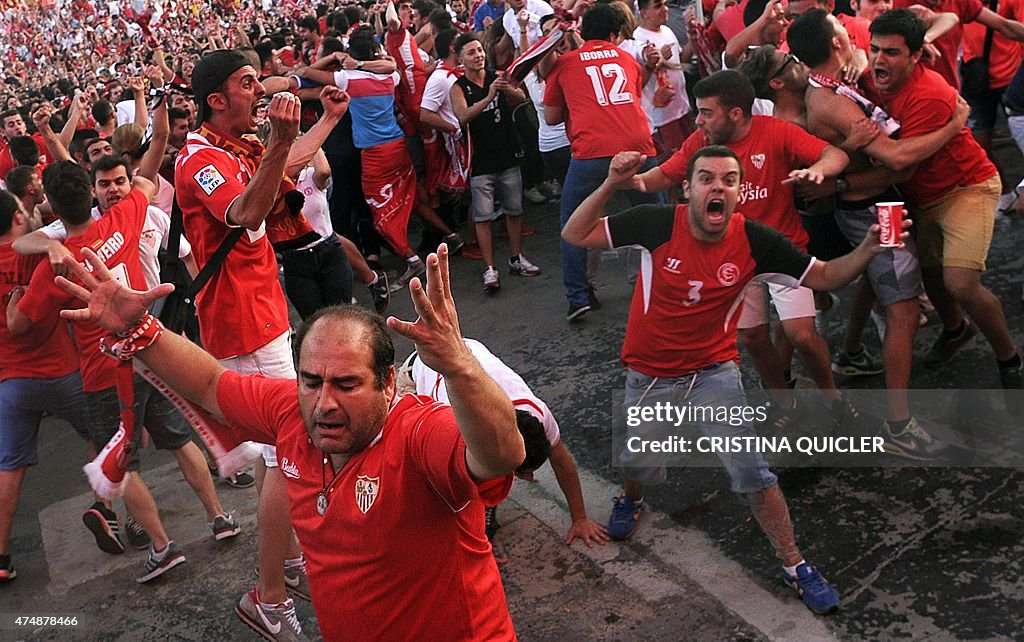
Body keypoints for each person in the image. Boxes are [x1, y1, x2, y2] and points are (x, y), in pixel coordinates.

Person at [56, 244, 524, 641]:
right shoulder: (291, 412)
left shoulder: (419, 433)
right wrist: (139, 331)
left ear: (387, 384)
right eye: (312, 380)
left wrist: (460, 365)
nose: (324, 404)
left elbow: (504, 454)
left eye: (346, 384)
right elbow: (208, 385)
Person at [562, 145, 907, 614]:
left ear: (739, 192)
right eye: (706, 178)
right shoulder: (656, 223)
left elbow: (824, 277)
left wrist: (869, 247)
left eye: (728, 180)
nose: (717, 187)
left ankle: (795, 565)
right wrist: (609, 183)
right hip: (650, 375)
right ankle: (631, 496)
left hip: (713, 372)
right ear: (688, 190)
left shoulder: (756, 241)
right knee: (640, 461)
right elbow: (574, 232)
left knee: (753, 472)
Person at [175, 49, 348, 639]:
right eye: (249, 83)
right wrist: (279, 139)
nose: (261, 89)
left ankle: (292, 560)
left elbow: (282, 165)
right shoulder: (200, 158)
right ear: (216, 100)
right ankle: (267, 596)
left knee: (287, 451)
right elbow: (248, 209)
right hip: (241, 321)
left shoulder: (233, 147)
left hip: (261, 312)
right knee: (289, 453)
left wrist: (323, 122)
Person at [8, 161, 237, 582]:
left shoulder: (55, 267)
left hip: (103, 374)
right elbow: (147, 184)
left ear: (52, 208)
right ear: (90, 193)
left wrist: (20, 290)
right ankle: (219, 517)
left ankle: (163, 547)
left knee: (119, 463)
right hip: (149, 357)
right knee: (179, 441)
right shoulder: (125, 216)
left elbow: (19, 325)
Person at [786, 8, 971, 457]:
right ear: (835, 44)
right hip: (874, 210)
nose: (852, 37)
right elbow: (899, 158)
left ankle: (850, 353)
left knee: (877, 289)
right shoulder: (835, 103)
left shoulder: (831, 84)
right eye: (843, 33)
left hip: (866, 204)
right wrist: (952, 126)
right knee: (904, 311)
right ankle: (898, 424)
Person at [627, 70, 855, 429]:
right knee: (752, 337)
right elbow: (668, 175)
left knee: (803, 336)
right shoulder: (701, 142)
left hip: (783, 251)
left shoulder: (776, 131)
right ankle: (784, 400)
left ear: (735, 113)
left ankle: (832, 397)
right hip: (732, 257)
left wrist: (819, 171)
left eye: (706, 112)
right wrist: (632, 179)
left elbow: (835, 155)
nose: (698, 120)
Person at [863, 10, 1022, 390]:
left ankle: (1009, 359)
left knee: (961, 283)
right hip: (923, 197)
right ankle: (955, 330)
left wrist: (842, 184)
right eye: (874, 50)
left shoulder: (930, 93)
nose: (878, 60)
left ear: (916, 55)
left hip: (966, 187)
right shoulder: (869, 77)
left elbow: (902, 165)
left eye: (891, 52)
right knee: (931, 278)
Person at [400, 337, 610, 548]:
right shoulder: (459, 428)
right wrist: (479, 552)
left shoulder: (536, 412)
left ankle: (487, 501)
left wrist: (580, 518)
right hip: (417, 374)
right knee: (423, 480)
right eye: (521, 472)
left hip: (462, 350)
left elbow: (562, 461)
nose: (528, 478)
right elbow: (450, 497)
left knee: (487, 476)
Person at [543, 3, 662, 321]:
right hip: (637, 147)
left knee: (572, 224)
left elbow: (552, 118)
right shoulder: (626, 58)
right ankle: (667, 280)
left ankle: (578, 296)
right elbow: (631, 98)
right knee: (657, 216)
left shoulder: (565, 63)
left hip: (593, 152)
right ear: (613, 34)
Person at [0, 189, 91, 582]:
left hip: (12, 381)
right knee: (104, 435)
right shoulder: (41, 253)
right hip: (62, 370)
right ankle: (108, 508)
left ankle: (1, 558)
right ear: (18, 219)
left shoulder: (37, 248)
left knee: (9, 470)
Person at [451, 32, 541, 291]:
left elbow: (523, 99)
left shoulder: (497, 76)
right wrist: (489, 97)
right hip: (480, 161)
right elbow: (463, 116)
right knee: (483, 217)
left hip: (508, 154)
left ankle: (516, 258)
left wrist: (508, 89)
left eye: (479, 50)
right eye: (471, 52)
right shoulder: (459, 87)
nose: (478, 55)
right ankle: (490, 269)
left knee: (515, 211)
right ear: (461, 59)